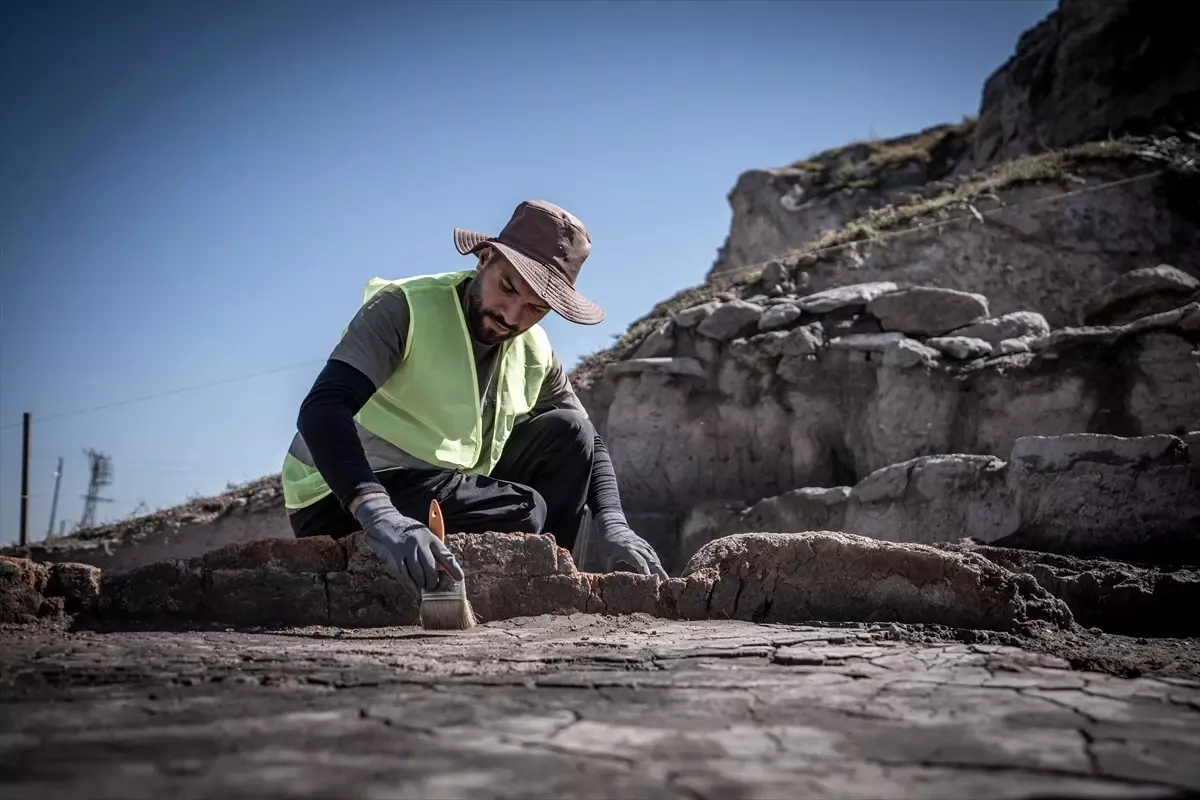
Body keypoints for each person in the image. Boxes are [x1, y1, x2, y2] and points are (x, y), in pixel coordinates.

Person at [280, 198, 668, 593]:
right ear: (484, 259)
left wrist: (615, 525)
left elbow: (589, 441)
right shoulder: (404, 308)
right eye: (507, 288)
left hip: (440, 485)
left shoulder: (534, 348)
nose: (513, 316)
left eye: (536, 307)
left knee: (570, 432)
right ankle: (513, 584)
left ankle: (548, 590)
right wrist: (379, 515)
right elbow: (322, 410)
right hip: (339, 495)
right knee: (524, 510)